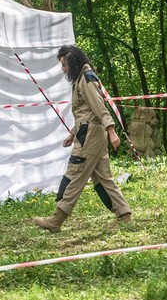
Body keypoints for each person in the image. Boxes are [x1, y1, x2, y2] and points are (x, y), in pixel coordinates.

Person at [32, 45, 132, 232]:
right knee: (104, 178)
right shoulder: (81, 79)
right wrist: (72, 134)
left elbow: (99, 107)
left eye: (64, 65)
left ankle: (56, 220)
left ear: (74, 62)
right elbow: (84, 113)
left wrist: (111, 130)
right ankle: (124, 214)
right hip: (90, 133)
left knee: (75, 174)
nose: (63, 69)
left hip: (90, 136)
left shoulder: (86, 79)